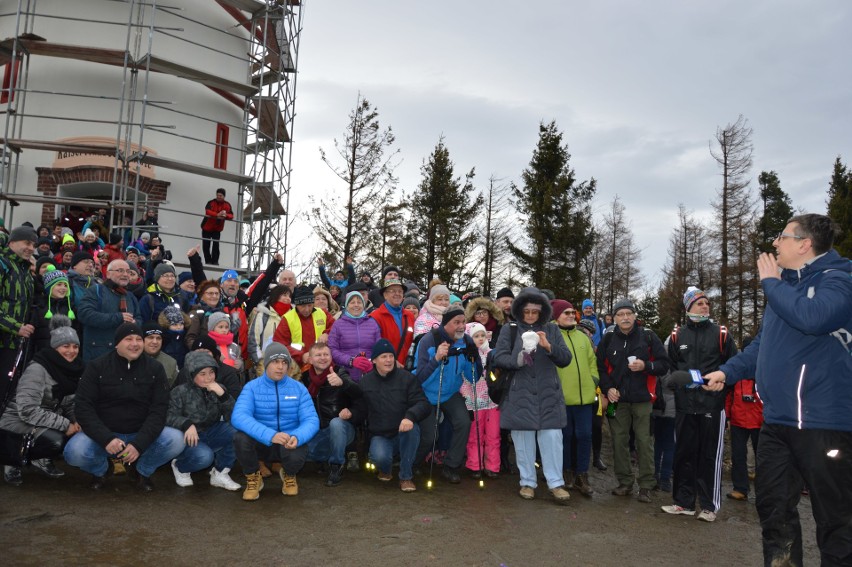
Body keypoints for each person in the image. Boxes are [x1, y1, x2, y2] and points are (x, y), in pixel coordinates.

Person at [704, 214, 852, 566]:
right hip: (777, 422)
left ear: (804, 244)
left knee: (835, 519)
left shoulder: (839, 280)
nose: (774, 244)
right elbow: (762, 346)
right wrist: (727, 371)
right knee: (772, 508)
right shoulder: (783, 287)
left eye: (782, 236)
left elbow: (815, 318)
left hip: (823, 424)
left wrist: (772, 284)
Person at [63, 323, 184, 491]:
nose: (134, 344)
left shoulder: (155, 369)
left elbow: (159, 409)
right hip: (105, 434)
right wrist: (106, 438)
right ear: (117, 343)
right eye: (128, 339)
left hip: (140, 432)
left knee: (176, 439)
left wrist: (139, 444)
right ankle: (102, 470)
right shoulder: (97, 366)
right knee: (74, 452)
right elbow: (83, 408)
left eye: (138, 339)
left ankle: (142, 470)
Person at [661, 287, 738, 522]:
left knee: (709, 456)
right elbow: (673, 368)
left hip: (712, 405)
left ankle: (708, 506)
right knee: (683, 454)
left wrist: (722, 385)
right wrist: (679, 379)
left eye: (706, 302)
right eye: (699, 303)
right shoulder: (677, 335)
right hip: (685, 405)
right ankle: (683, 503)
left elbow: (733, 366)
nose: (704, 306)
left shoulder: (721, 333)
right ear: (688, 308)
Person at [492, 287, 572, 504]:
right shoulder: (509, 329)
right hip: (519, 393)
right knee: (523, 440)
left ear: (542, 311)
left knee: (552, 439)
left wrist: (549, 347)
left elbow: (565, 359)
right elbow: (498, 358)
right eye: (526, 311)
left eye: (534, 312)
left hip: (548, 393)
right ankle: (527, 481)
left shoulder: (552, 331)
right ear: (519, 310)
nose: (530, 315)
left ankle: (556, 484)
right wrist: (518, 359)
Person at [597, 298, 670, 503]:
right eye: (621, 314)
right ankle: (625, 482)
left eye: (629, 314)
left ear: (635, 317)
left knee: (644, 441)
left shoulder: (648, 336)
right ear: (615, 318)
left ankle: (646, 485)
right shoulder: (609, 338)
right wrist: (607, 388)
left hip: (642, 399)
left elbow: (664, 364)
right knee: (618, 440)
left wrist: (646, 366)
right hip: (615, 400)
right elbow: (600, 368)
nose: (625, 317)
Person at [1, 316, 84, 485]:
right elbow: (27, 410)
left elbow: (69, 403)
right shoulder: (38, 369)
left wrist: (77, 421)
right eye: (65, 346)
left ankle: (40, 458)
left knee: (75, 431)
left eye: (75, 346)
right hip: (15, 421)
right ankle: (11, 460)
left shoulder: (71, 369)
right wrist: (65, 424)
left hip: (44, 418)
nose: (72, 351)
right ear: (54, 347)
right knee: (55, 439)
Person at [231, 343, 319, 501]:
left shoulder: (298, 388)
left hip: (288, 441)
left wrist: (297, 436)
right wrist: (270, 435)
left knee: (299, 447)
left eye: (284, 362)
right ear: (266, 365)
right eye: (275, 362)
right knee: (240, 437)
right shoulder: (251, 387)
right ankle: (253, 477)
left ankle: (289, 474)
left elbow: (311, 420)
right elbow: (238, 416)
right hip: (262, 441)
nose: (280, 367)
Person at [359, 339, 431, 493]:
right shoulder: (365, 382)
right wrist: (349, 412)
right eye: (383, 356)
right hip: (380, 434)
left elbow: (423, 404)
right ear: (374, 360)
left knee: (413, 430)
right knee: (379, 457)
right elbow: (360, 408)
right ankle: (385, 469)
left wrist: (410, 416)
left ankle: (406, 476)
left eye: (391, 356)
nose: (388, 360)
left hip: (403, 431)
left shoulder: (407, 378)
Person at [413, 305, 475, 484]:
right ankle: (413, 462)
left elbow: (473, 377)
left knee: (463, 422)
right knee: (430, 435)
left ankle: (451, 466)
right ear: (446, 323)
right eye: (456, 322)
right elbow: (419, 377)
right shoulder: (428, 340)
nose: (461, 326)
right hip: (426, 393)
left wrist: (475, 360)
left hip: (450, 393)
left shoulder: (467, 341)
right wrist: (436, 359)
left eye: (463, 322)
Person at [166, 351, 240, 491]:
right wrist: (186, 424)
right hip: (188, 437)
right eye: (202, 373)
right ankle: (180, 467)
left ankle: (220, 473)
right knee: (205, 457)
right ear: (192, 374)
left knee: (238, 432)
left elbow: (235, 417)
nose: (208, 378)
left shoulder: (219, 389)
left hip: (211, 431)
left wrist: (223, 396)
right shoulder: (179, 392)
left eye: (211, 372)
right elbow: (168, 416)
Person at [551, 299, 598, 497]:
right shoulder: (553, 337)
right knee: (566, 437)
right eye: (566, 313)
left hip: (585, 399)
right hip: (562, 398)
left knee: (585, 436)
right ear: (556, 316)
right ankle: (567, 472)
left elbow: (592, 362)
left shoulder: (582, 337)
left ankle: (582, 474)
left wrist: (594, 380)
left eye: (573, 312)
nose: (571, 315)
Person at [301, 342, 365, 487]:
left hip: (340, 428)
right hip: (316, 429)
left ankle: (336, 465)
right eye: (318, 355)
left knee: (335, 423)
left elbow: (359, 394)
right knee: (300, 452)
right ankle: (323, 457)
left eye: (326, 354)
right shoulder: (304, 378)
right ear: (310, 359)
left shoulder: (340, 372)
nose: (323, 358)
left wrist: (343, 383)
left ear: (331, 357)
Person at [77, 259, 142, 362]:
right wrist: (118, 318)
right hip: (98, 356)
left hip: (124, 355)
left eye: (128, 271)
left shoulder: (131, 296)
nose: (125, 274)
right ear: (108, 274)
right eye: (120, 270)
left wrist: (134, 323)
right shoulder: (95, 291)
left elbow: (139, 318)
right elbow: (84, 314)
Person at [0, 225, 37, 404]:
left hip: (14, 343)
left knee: (6, 392)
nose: (31, 248)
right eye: (27, 243)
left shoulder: (25, 270)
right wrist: (16, 327)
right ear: (12, 242)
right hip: (5, 337)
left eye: (33, 245)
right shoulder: (2, 264)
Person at [724, 336, 762, 503]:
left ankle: (764, 492)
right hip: (738, 419)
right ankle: (740, 488)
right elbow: (728, 395)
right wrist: (728, 417)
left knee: (763, 458)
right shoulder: (737, 372)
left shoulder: (763, 370)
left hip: (760, 420)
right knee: (738, 455)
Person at [460, 322, 500, 478]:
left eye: (483, 335)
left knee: (493, 435)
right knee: (474, 435)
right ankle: (475, 464)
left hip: (492, 401)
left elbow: (497, 374)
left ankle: (492, 465)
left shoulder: (492, 353)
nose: (480, 339)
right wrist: (466, 394)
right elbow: (463, 378)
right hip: (473, 401)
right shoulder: (466, 354)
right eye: (476, 336)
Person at [272, 285, 334, 368]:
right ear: (296, 305)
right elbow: (279, 344)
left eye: (309, 305)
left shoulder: (323, 313)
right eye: (303, 306)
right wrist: (301, 355)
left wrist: (327, 333)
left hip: (322, 364)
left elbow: (336, 327)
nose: (307, 309)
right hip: (298, 366)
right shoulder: (288, 319)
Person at [328, 291, 382, 384]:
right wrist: (351, 361)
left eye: (359, 302)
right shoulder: (338, 324)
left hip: (370, 374)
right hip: (346, 376)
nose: (356, 305)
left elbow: (379, 348)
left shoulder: (372, 323)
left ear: (363, 305)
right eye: (352, 302)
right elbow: (332, 349)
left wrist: (373, 362)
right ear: (347, 305)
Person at [30, 267, 79, 355]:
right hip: (43, 355)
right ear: (49, 287)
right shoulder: (38, 307)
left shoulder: (71, 308)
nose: (63, 288)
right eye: (59, 284)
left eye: (65, 285)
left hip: (66, 356)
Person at [370, 277, 415, 367]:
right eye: (393, 291)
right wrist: (393, 363)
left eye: (400, 291)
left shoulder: (410, 316)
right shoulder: (375, 317)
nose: (397, 294)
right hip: (386, 369)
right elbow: (373, 346)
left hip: (407, 368)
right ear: (385, 295)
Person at [247, 284, 291, 378]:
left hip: (286, 366)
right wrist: (260, 362)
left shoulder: (292, 317)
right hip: (265, 366)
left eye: (289, 296)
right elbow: (253, 340)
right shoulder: (263, 315)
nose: (288, 298)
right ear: (275, 296)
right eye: (284, 295)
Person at [200, 188, 233, 265]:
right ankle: (208, 261)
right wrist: (217, 215)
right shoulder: (211, 202)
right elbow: (207, 211)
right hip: (206, 227)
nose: (218, 197)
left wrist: (225, 215)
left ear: (224, 196)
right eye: (217, 195)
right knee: (206, 245)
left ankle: (215, 261)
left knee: (216, 245)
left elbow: (231, 215)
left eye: (220, 195)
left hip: (217, 229)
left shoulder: (227, 205)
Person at [142, 321, 178, 386]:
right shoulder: (133, 359)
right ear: (142, 340)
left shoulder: (171, 363)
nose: (155, 342)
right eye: (150, 337)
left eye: (158, 338)